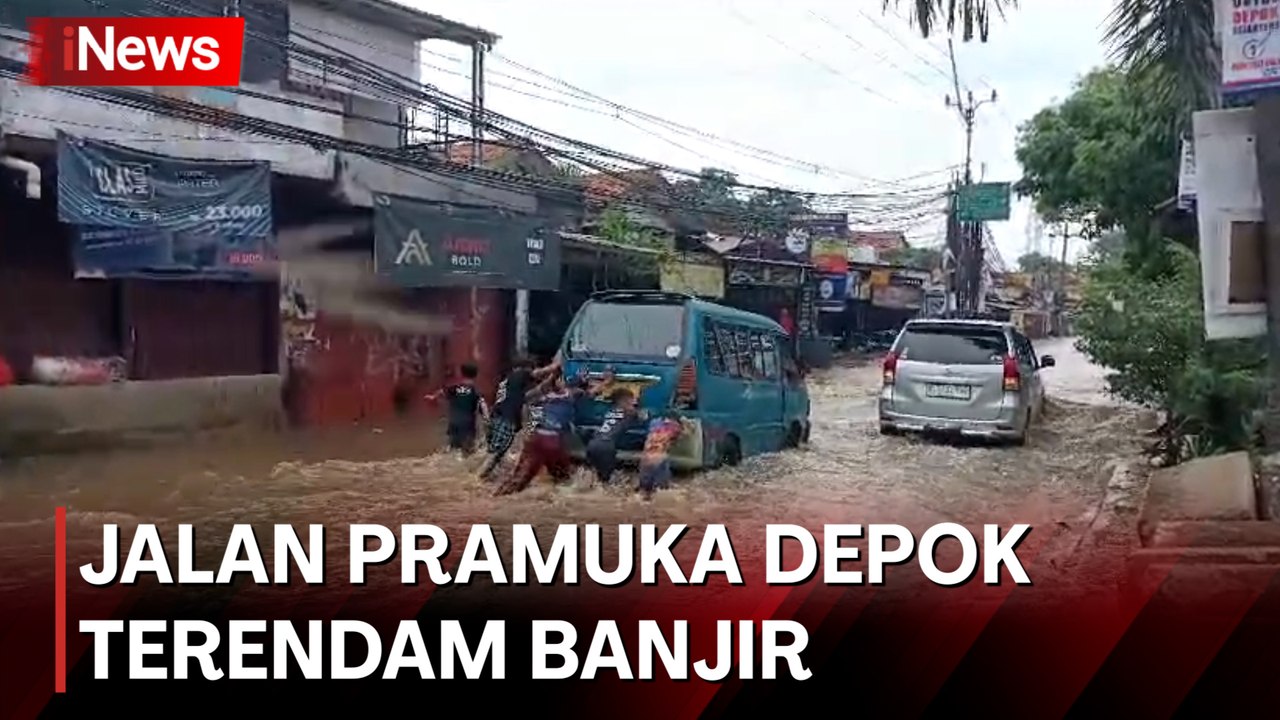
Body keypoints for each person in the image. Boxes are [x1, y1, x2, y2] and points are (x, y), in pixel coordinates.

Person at [495, 370, 607, 496]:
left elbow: (529, 398)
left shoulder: (542, 395)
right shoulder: (570, 395)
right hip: (553, 442)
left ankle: (499, 495)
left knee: (520, 478)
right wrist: (608, 380)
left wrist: (552, 377)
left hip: (536, 439)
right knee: (564, 479)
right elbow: (593, 392)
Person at [478, 355, 561, 480]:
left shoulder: (511, 382)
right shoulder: (519, 374)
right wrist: (555, 367)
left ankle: (483, 476)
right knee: (496, 453)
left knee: (498, 453)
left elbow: (534, 393)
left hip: (499, 416)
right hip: (506, 417)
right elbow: (537, 374)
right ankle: (478, 478)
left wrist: (552, 378)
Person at [585, 383, 646, 486]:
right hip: (606, 446)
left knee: (594, 477)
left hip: (593, 444)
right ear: (624, 401)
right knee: (606, 482)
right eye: (631, 400)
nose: (633, 402)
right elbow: (643, 417)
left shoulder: (610, 412)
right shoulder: (629, 412)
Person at [425, 363, 488, 455]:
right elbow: (483, 405)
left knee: (453, 449)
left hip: (454, 423)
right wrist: (487, 419)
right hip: (467, 425)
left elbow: (442, 391)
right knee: (468, 451)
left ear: (461, 374)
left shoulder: (454, 388)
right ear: (476, 375)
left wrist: (433, 397)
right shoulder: (475, 391)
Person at [637, 411, 695, 499]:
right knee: (661, 493)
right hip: (659, 459)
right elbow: (689, 431)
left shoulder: (654, 424)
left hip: (645, 459)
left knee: (643, 491)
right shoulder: (675, 427)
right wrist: (684, 421)